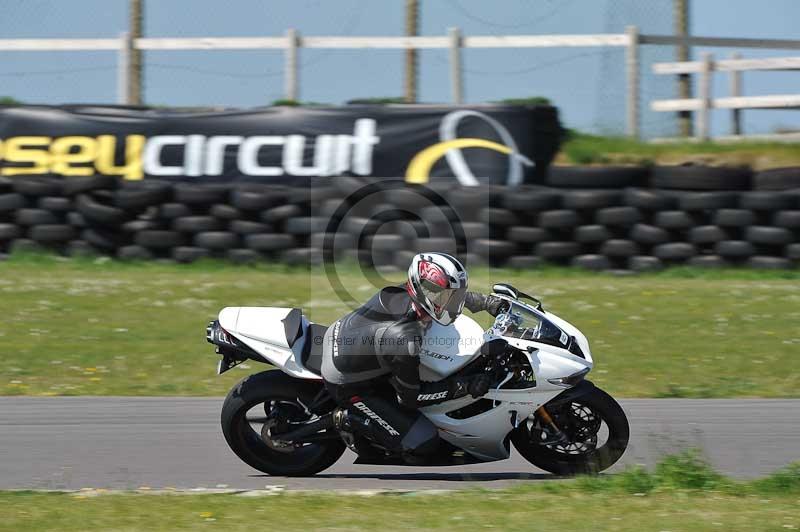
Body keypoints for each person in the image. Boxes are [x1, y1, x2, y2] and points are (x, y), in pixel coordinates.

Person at [320, 252, 506, 462]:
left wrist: (487, 303)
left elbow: (451, 297)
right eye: (448, 297)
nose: (453, 302)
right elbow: (411, 398)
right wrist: (464, 386)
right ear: (425, 292)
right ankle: (348, 419)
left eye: (454, 295)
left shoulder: (413, 293)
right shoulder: (404, 339)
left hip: (348, 338)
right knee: (423, 441)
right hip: (347, 381)